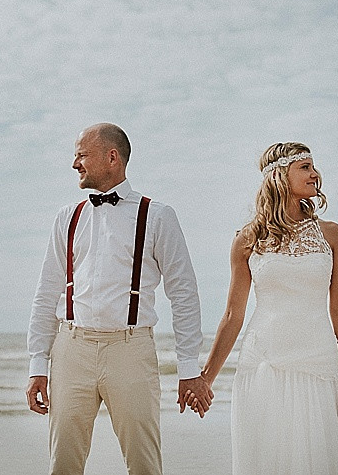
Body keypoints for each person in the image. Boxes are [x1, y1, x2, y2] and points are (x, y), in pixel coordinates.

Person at [26, 123, 211, 475]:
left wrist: (189, 369)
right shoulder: (67, 217)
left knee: (143, 463)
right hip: (71, 350)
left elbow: (184, 294)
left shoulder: (157, 216)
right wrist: (38, 364)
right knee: (63, 463)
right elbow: (46, 293)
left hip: (130, 350)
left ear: (112, 157)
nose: (74, 164)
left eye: (81, 155)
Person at [197, 142, 338, 475]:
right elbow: (233, 315)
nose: (315, 174)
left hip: (318, 363)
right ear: (278, 175)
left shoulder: (332, 235)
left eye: (314, 167)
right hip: (263, 363)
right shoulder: (247, 239)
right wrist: (206, 379)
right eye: (305, 167)